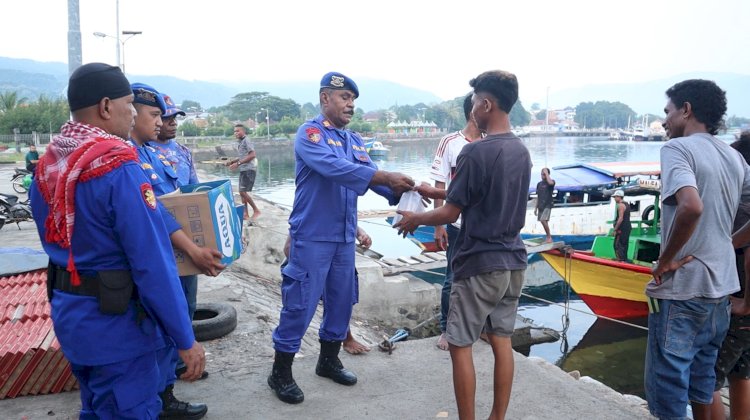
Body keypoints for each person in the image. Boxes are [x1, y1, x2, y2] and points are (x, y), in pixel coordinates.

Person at [28, 62, 206, 419]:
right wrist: (184, 339)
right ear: (107, 107)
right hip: (120, 329)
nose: (132, 115)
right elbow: (151, 264)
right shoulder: (118, 169)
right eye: (130, 106)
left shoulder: (49, 167)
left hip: (73, 319)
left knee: (95, 408)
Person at [268, 71, 414, 404]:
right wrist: (384, 175)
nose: (350, 105)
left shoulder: (354, 140)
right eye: (345, 98)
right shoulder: (311, 134)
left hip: (344, 237)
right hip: (312, 236)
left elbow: (373, 179)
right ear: (325, 98)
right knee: (300, 304)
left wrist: (405, 192)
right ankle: (280, 372)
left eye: (353, 100)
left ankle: (329, 360)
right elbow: (336, 169)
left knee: (341, 300)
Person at [395, 70, 532, 420]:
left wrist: (414, 219)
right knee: (503, 342)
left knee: (460, 345)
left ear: (486, 104)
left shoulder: (475, 153)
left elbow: (452, 211)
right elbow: (478, 197)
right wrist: (436, 194)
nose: (472, 109)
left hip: (479, 263)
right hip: (514, 259)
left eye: (474, 102)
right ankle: (497, 418)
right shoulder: (522, 151)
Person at [646, 79, 750, 420]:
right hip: (720, 293)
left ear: (686, 110)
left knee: (668, 395)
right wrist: (728, 243)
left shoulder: (678, 150)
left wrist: (665, 260)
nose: (664, 121)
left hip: (683, 291)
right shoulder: (733, 157)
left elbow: (690, 207)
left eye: (668, 111)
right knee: (703, 386)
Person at [130, 82, 216, 418]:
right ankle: (160, 396)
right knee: (159, 324)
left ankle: (166, 388)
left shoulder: (156, 152)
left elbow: (187, 197)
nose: (165, 122)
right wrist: (193, 249)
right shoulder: (127, 157)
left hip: (177, 253)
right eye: (156, 115)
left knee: (180, 313)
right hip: (160, 255)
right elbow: (155, 212)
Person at [150, 92, 205, 381]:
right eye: (166, 117)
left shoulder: (183, 152)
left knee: (188, 303)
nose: (172, 123)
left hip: (187, 241)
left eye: (175, 118)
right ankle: (166, 370)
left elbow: (196, 194)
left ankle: (181, 361)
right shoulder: (143, 153)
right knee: (164, 307)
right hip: (160, 241)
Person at [428, 93, 482, 351]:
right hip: (457, 224)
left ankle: (477, 328)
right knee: (452, 278)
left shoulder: (491, 142)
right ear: (473, 111)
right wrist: (438, 224)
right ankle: (446, 330)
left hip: (483, 228)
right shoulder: (450, 142)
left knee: (481, 278)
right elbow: (439, 183)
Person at [282, 226, 373, 355]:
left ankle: (344, 339)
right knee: (299, 308)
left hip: (337, 255)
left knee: (342, 300)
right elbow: (288, 247)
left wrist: (360, 233)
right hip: (311, 260)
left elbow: (346, 217)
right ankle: (282, 355)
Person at [710, 132, 750, 420]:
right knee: (741, 374)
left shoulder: (744, 207)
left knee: (705, 378)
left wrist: (745, 303)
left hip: (739, 304)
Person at [226, 124, 261, 223]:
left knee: (242, 192)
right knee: (242, 192)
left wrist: (238, 164)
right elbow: (242, 156)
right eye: (234, 131)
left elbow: (252, 154)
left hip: (249, 169)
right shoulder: (240, 142)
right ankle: (245, 214)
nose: (235, 133)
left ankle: (256, 210)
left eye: (238, 131)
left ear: (243, 131)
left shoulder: (247, 140)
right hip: (243, 169)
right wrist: (232, 162)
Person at [534, 167, 555, 243]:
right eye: (542, 174)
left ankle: (549, 237)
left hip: (547, 205)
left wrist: (546, 174)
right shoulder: (539, 184)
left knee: (543, 220)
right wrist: (535, 208)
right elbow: (538, 196)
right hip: (540, 206)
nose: (542, 175)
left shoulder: (551, 182)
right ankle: (548, 237)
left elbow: (550, 183)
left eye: (544, 174)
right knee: (544, 221)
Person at [611, 189, 630, 261]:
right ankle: (624, 259)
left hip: (622, 228)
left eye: (615, 197)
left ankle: (620, 260)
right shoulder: (626, 204)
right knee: (624, 244)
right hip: (627, 227)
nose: (614, 199)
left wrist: (615, 229)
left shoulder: (620, 205)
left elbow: (620, 219)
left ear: (619, 197)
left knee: (617, 244)